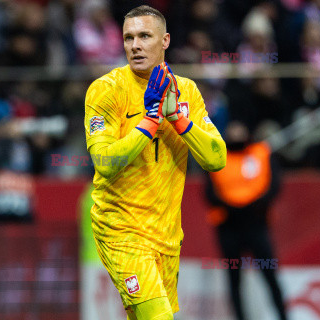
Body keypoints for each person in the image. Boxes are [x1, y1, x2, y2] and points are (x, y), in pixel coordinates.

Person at [84, 5, 227, 320]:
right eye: (128, 38)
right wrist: (150, 121)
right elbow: (104, 162)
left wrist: (178, 119)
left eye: (144, 36)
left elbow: (217, 159)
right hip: (121, 228)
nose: (134, 45)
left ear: (165, 40)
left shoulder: (187, 91)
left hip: (166, 234)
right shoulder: (106, 90)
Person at [205, 121, 287, 320]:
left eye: (239, 130)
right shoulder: (217, 156)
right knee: (234, 276)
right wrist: (234, 208)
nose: (236, 135)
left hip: (256, 224)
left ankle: (284, 316)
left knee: (269, 272)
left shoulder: (261, 152)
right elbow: (209, 193)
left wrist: (255, 205)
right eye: (231, 131)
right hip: (229, 227)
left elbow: (274, 185)